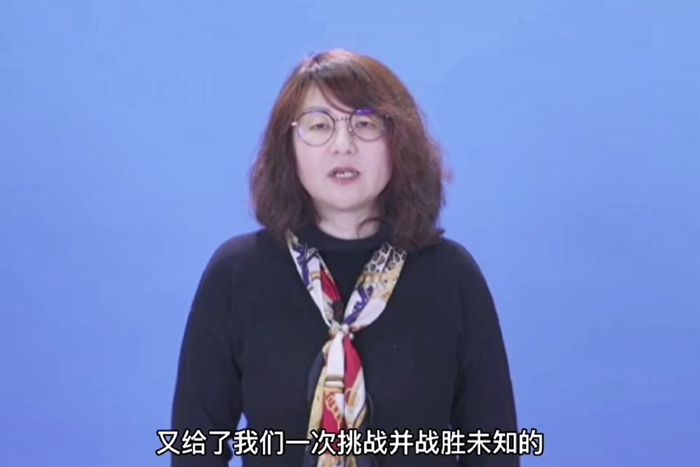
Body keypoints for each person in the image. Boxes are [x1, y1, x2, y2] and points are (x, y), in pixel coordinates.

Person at [170, 49, 518, 467]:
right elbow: (194, 449)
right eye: (319, 125)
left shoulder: (452, 276)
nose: (343, 145)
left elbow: (495, 450)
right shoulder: (237, 274)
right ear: (288, 146)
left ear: (398, 141)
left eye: (365, 124)